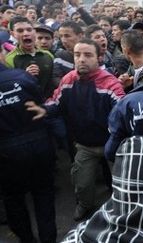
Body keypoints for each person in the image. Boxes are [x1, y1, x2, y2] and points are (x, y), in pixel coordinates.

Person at [25, 38, 125, 222]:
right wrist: (44, 109)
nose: (81, 59)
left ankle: (121, 212)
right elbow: (56, 101)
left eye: (88, 55)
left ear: (99, 58)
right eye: (77, 55)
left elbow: (122, 111)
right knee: (82, 184)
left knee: (120, 184)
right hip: (85, 146)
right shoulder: (68, 79)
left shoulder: (110, 84)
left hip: (112, 145)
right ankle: (85, 206)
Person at [0, 31, 57, 243]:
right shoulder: (21, 77)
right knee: (43, 195)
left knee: (14, 200)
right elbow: (40, 107)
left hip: (7, 153)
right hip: (38, 146)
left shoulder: (21, 75)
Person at [5, 16, 55, 99]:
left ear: (34, 32)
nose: (26, 33)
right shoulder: (9, 59)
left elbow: (53, 81)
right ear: (13, 34)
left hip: (49, 105)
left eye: (29, 29)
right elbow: (8, 88)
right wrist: (25, 76)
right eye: (20, 31)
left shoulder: (48, 55)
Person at [53, 21, 83, 87]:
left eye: (67, 36)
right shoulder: (59, 56)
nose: (63, 40)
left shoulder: (92, 55)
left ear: (80, 36)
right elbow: (55, 78)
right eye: (61, 36)